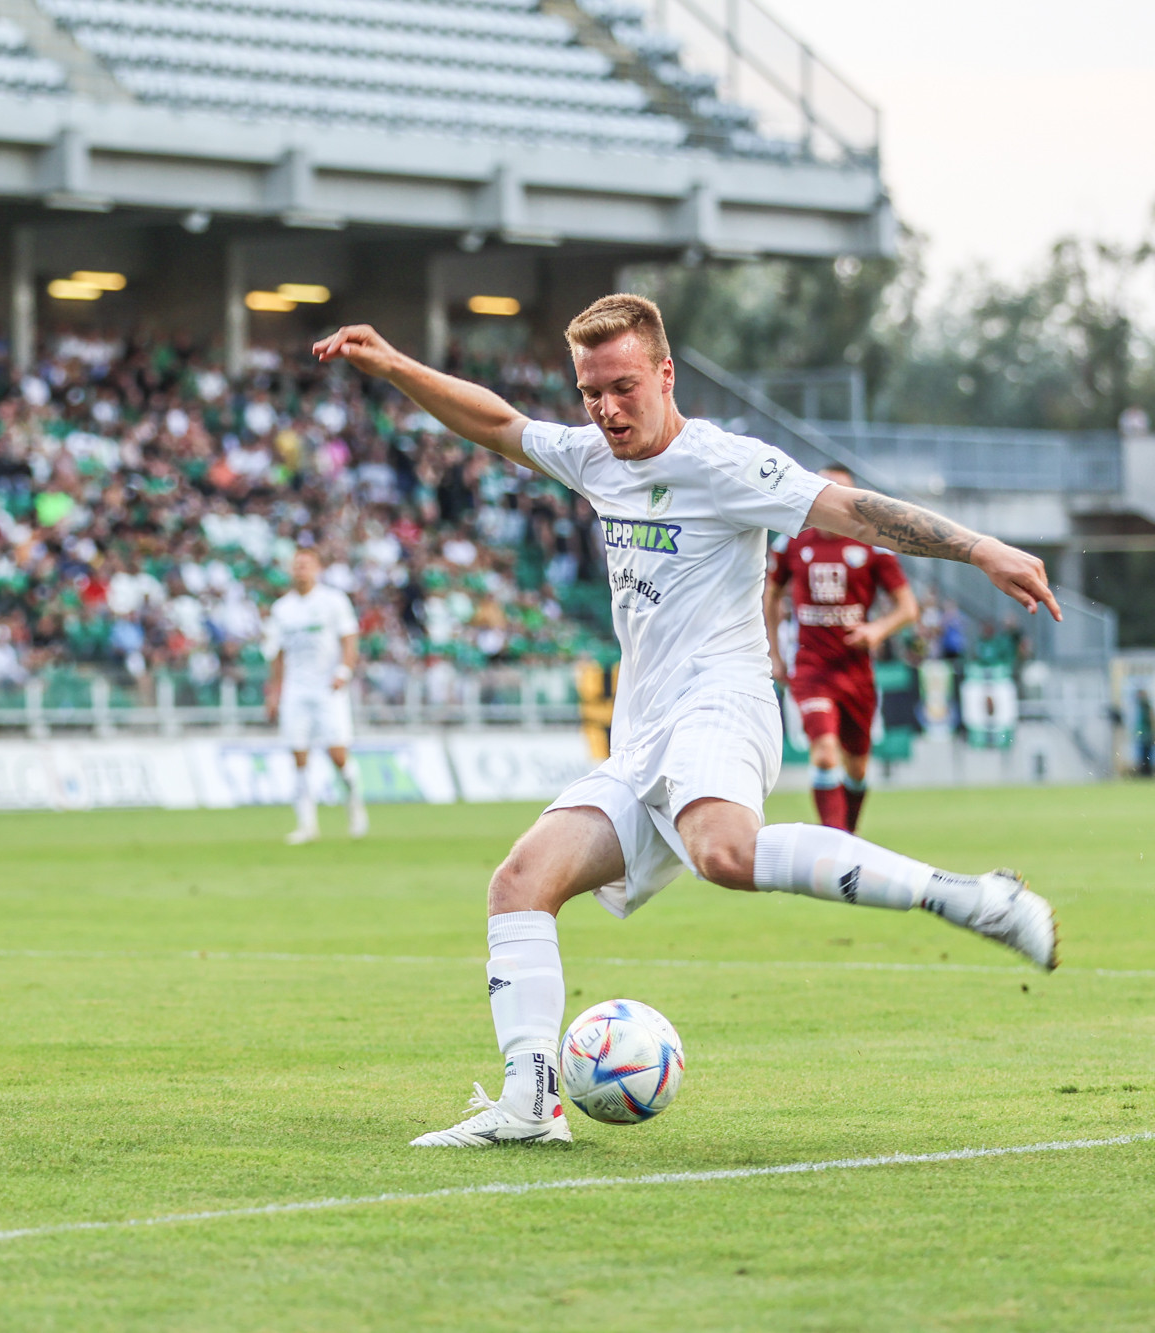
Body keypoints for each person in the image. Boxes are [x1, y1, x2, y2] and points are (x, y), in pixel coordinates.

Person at [314, 294, 1061, 1148]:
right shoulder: (595, 457)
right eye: (591, 392)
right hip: (643, 736)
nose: (606, 409)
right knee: (519, 883)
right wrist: (394, 365)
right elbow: (498, 423)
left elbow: (854, 511)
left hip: (724, 702)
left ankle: (975, 898)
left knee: (725, 852)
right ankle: (530, 1105)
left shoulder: (728, 464)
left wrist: (980, 548)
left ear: (665, 374)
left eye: (623, 387)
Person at [765, 467, 919, 832]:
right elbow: (770, 594)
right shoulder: (791, 543)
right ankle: (835, 843)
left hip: (856, 672)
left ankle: (847, 837)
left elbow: (908, 608)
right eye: (825, 489)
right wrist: (775, 654)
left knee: (858, 768)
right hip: (811, 668)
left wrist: (877, 629)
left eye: (842, 491)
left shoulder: (872, 546)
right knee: (824, 753)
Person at [262, 548, 366, 843]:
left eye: (306, 565)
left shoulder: (333, 601)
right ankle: (307, 825)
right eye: (296, 565)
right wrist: (274, 693)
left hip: (328, 688)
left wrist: (343, 671)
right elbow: (277, 654)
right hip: (296, 690)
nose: (301, 570)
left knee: (338, 755)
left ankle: (355, 806)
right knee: (298, 756)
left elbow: (349, 640)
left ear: (317, 569)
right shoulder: (282, 609)